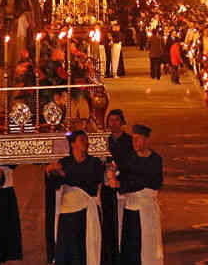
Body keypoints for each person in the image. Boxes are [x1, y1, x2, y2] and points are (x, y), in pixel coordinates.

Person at [46, 130, 105, 265]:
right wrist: (49, 172)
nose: (86, 143)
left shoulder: (94, 162)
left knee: (84, 250)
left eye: (86, 140)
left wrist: (65, 175)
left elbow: (91, 183)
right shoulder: (65, 162)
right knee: (67, 250)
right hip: (68, 213)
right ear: (73, 144)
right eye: (82, 140)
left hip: (85, 211)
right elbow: (55, 184)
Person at [116, 124, 163, 265]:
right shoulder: (129, 159)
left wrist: (126, 184)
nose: (134, 142)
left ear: (147, 140)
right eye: (133, 139)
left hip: (147, 209)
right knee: (131, 248)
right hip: (131, 210)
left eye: (138, 139)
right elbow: (123, 179)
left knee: (148, 245)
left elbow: (154, 182)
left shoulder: (155, 159)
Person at [102, 110, 133, 265]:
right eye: (110, 120)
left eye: (116, 120)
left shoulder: (128, 141)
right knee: (108, 220)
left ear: (122, 122)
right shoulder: (104, 140)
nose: (113, 123)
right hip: (107, 187)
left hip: (122, 185)